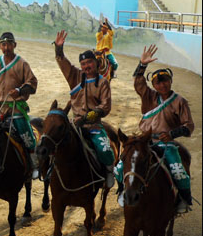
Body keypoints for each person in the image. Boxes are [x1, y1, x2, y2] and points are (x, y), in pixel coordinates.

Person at [115, 44, 194, 213]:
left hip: (167, 144)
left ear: (170, 81)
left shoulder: (180, 101)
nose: (162, 85)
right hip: (144, 141)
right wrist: (142, 64)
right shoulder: (149, 95)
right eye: (158, 82)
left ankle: (183, 200)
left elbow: (189, 126)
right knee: (120, 168)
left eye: (165, 80)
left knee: (179, 172)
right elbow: (138, 82)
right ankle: (122, 191)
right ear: (154, 85)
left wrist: (172, 134)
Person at [54, 30, 116, 188]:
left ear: (95, 63)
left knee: (106, 151)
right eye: (83, 64)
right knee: (52, 144)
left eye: (89, 62)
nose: (86, 66)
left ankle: (109, 173)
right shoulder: (74, 76)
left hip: (93, 126)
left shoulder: (103, 83)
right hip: (74, 125)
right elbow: (62, 61)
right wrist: (59, 48)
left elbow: (105, 107)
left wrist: (87, 118)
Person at [0, 32, 40, 180]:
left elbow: (32, 84)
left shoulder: (22, 63)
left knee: (27, 135)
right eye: (3, 44)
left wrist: (20, 90)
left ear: (14, 45)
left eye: (9, 44)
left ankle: (34, 165)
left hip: (16, 108)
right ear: (0, 46)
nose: (6, 47)